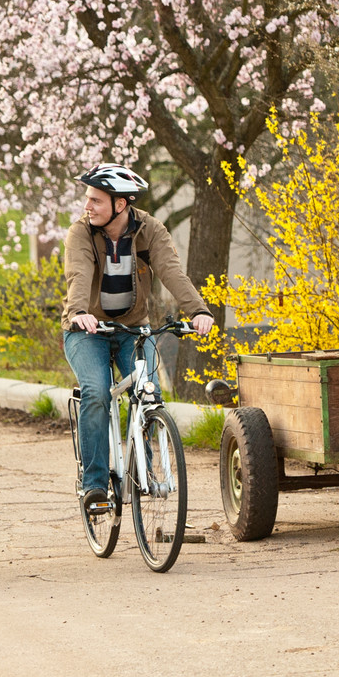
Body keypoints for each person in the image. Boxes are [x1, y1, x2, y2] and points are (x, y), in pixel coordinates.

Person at [62, 164, 215, 511]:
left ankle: (139, 467)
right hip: (87, 330)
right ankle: (95, 485)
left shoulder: (150, 230)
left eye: (96, 200)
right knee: (97, 391)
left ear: (121, 204)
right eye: (88, 198)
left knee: (148, 391)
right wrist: (78, 312)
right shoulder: (81, 233)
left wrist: (198, 311)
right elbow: (79, 274)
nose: (88, 206)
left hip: (133, 328)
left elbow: (171, 270)